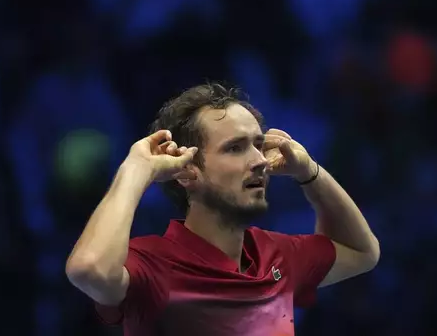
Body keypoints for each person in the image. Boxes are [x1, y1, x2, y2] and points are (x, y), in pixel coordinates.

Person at [66, 82, 380, 336]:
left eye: (258, 144)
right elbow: (89, 268)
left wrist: (310, 171)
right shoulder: (154, 265)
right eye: (235, 148)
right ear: (188, 171)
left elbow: (362, 251)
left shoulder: (277, 256)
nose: (259, 160)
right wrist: (136, 169)